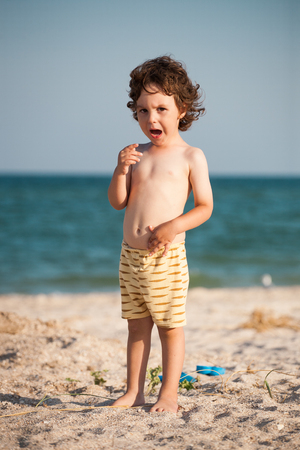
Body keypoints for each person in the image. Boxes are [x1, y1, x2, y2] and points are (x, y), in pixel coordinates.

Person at [108, 56, 213, 413]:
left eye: (161, 109)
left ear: (182, 109)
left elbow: (204, 207)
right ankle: (133, 392)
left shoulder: (190, 157)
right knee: (137, 328)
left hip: (165, 259)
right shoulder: (136, 155)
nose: (151, 118)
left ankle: (168, 394)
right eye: (142, 110)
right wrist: (121, 171)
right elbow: (118, 203)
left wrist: (173, 225)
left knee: (169, 328)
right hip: (130, 258)